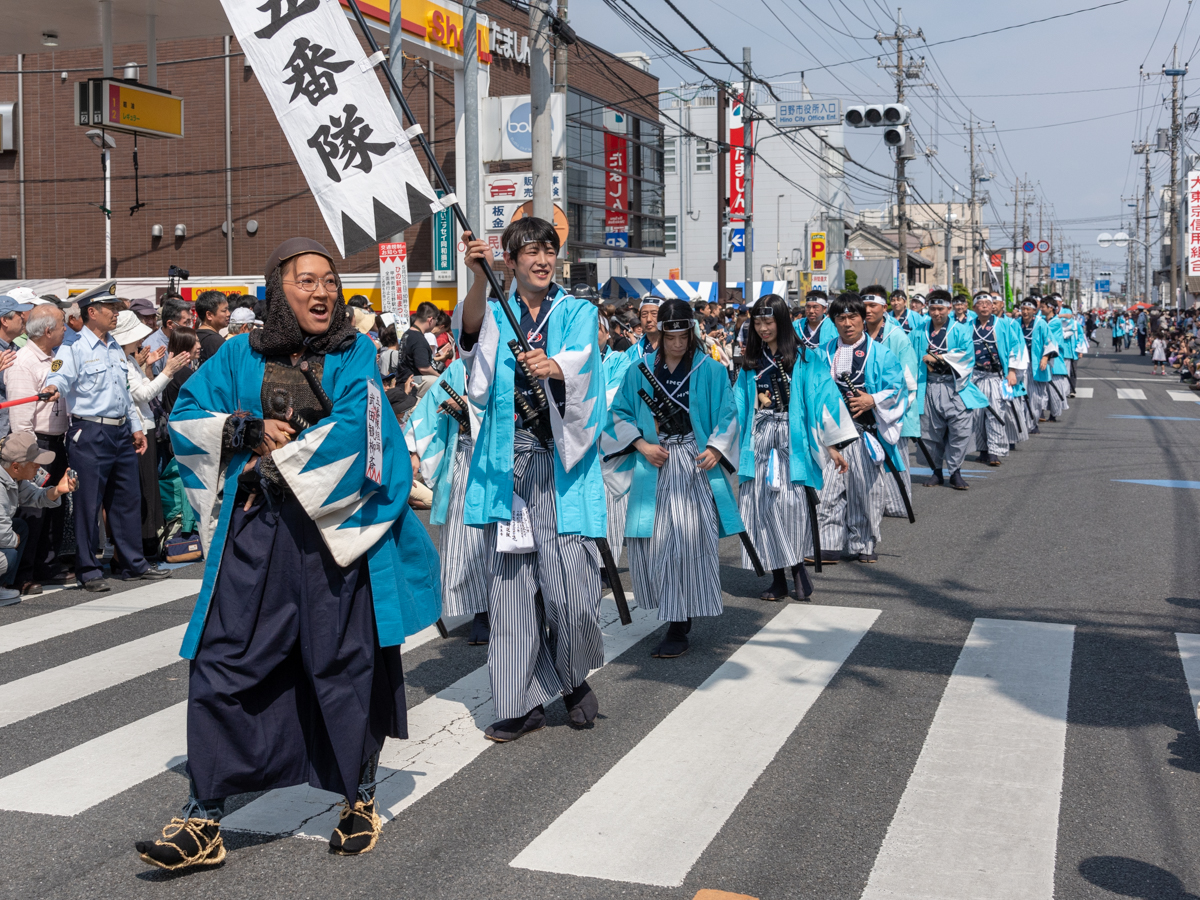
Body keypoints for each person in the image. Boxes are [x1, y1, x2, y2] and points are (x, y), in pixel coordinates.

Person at [136, 238, 440, 870]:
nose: (322, 292)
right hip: (258, 532)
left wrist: (281, 463)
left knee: (342, 663)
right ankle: (204, 813)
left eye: (329, 281)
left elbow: (364, 427)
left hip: (338, 537)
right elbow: (187, 413)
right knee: (223, 659)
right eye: (306, 281)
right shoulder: (238, 354)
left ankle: (357, 798)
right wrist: (245, 432)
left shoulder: (355, 353)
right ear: (278, 288)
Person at [458, 217, 607, 743]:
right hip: (510, 468)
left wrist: (556, 366)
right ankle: (519, 702)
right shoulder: (497, 309)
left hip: (562, 465)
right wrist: (479, 277)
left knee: (572, 592)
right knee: (513, 591)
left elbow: (585, 363)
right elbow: (470, 343)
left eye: (549, 250)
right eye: (531, 252)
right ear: (512, 260)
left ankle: (569, 677)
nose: (542, 260)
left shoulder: (578, 311)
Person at [604, 299, 745, 656]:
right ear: (661, 334)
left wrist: (716, 447)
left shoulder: (709, 370)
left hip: (695, 463)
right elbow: (617, 414)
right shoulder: (639, 371)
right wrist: (639, 444)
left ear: (692, 332)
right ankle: (671, 611)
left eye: (684, 336)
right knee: (651, 544)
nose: (679, 344)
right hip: (653, 461)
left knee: (687, 542)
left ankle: (679, 624)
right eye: (672, 336)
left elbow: (728, 413)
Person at [43, 285, 168, 591]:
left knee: (127, 499)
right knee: (89, 502)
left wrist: (136, 427)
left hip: (121, 429)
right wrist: (53, 387)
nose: (117, 313)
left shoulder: (114, 347)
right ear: (92, 312)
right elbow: (57, 375)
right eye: (110, 307)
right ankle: (89, 570)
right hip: (90, 431)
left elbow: (123, 390)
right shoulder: (72, 350)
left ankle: (132, 563)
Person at [734, 294, 851, 599]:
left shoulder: (806, 358)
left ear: (782, 322)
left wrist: (832, 444)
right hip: (759, 438)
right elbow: (737, 405)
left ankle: (797, 568)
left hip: (793, 437)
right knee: (760, 507)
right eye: (757, 322)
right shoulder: (750, 363)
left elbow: (825, 399)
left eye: (768, 321)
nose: (762, 328)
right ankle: (777, 577)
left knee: (791, 507)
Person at [404, 358, 491, 645]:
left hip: (510, 455)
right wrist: (414, 450)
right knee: (468, 539)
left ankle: (518, 606)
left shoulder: (507, 360)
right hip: (466, 456)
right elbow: (429, 412)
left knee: (509, 538)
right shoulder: (458, 369)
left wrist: (472, 405)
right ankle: (482, 609)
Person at [817, 292, 908, 562]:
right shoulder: (822, 353)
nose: (847, 323)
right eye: (840, 318)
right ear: (833, 321)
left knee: (865, 491)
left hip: (864, 432)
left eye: (852, 317)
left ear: (862, 318)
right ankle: (828, 543)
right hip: (830, 433)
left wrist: (872, 399)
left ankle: (863, 543)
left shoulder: (882, 353)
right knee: (826, 490)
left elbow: (897, 389)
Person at [116, 310, 194, 561]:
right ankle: (139, 548)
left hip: (144, 425)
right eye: (136, 337)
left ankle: (146, 543)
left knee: (147, 489)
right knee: (142, 490)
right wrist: (167, 371)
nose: (140, 342)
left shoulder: (128, 360)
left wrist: (148, 367)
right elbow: (143, 395)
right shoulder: (123, 361)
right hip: (139, 428)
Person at [7, 305, 69, 594]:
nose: (65, 328)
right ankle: (25, 573)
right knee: (33, 508)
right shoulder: (24, 362)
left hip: (56, 439)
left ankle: (47, 563)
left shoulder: (54, 358)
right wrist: (31, 453)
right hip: (36, 442)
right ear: (47, 331)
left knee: (53, 506)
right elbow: (20, 418)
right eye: (61, 324)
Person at [912, 289, 988, 490]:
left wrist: (939, 358)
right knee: (930, 432)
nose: (936, 313)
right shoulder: (919, 331)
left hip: (954, 387)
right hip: (927, 386)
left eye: (940, 308)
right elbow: (910, 355)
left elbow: (967, 356)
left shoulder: (961, 330)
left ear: (949, 308)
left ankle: (955, 471)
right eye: (933, 308)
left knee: (960, 430)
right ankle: (936, 471)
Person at [861, 287, 920, 517]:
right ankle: (871, 502)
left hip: (890, 404)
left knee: (894, 453)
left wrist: (890, 405)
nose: (867, 311)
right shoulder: (858, 332)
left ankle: (897, 503)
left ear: (884, 308)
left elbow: (908, 377)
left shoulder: (896, 336)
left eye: (873, 306)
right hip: (862, 404)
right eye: (864, 306)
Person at [0, 434, 79, 607]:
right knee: (9, 553)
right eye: (34, 462)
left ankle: (2, 585)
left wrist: (58, 490)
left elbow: (36, 495)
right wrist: (14, 540)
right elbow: (2, 534)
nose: (39, 466)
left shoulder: (12, 477)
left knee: (19, 526)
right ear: (15, 467)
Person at [967, 293, 1020, 467]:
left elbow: (1014, 347)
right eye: (980, 304)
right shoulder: (967, 327)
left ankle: (994, 451)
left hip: (995, 375)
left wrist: (1012, 371)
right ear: (974, 308)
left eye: (987, 303)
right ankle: (982, 450)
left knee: (995, 412)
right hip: (974, 375)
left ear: (993, 307)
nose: (984, 306)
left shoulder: (1003, 324)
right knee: (976, 415)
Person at [0, 294, 33, 438]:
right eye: (19, 314)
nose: (23, 318)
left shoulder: (15, 348)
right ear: (4, 320)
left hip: (11, 430)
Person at [143, 295, 195, 376]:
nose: (190, 326)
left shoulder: (185, 339)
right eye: (186, 322)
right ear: (170, 324)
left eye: (190, 321)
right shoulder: (153, 348)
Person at [1037, 296, 1071, 422]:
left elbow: (1049, 338)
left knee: (1054, 388)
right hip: (1042, 357)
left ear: (1050, 308)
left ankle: (1053, 413)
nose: (1040, 309)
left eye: (1042, 307)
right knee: (1042, 387)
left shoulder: (1055, 322)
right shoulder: (1042, 320)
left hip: (1054, 359)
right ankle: (1041, 412)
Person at [396, 303, 440, 395]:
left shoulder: (407, 334)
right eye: (436, 320)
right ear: (430, 320)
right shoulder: (418, 339)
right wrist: (440, 376)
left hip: (403, 383)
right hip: (414, 388)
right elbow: (423, 368)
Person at [160, 327, 199, 416]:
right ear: (184, 345)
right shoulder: (182, 372)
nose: (199, 346)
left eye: (198, 341)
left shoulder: (174, 369)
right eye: (194, 343)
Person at [194, 291, 231, 364]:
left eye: (228, 309)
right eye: (224, 310)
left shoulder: (193, 336)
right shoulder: (217, 341)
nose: (228, 314)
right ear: (209, 315)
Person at [626, 295, 662, 361]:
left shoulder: (676, 348)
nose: (648, 319)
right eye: (644, 314)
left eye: (654, 314)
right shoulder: (631, 353)